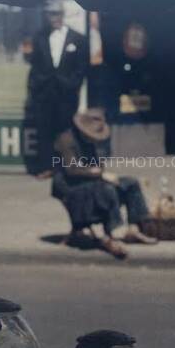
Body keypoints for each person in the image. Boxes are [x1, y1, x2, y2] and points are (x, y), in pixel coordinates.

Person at [52, 109, 157, 259]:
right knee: (106, 189)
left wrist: (100, 173)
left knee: (131, 183)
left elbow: (97, 164)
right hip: (69, 184)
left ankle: (134, 228)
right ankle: (114, 230)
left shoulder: (89, 142)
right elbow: (72, 170)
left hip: (91, 180)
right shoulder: (66, 140)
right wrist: (100, 174)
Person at [26, 0, 89, 177]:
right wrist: (37, 88)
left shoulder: (78, 39)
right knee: (45, 129)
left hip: (67, 94)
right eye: (49, 14)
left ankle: (68, 166)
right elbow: (35, 66)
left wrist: (73, 84)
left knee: (66, 129)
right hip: (45, 93)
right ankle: (47, 167)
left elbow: (82, 68)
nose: (53, 18)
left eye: (56, 14)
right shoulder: (39, 38)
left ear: (62, 15)